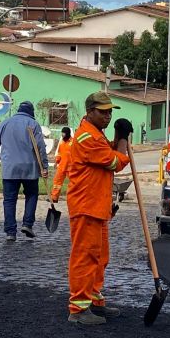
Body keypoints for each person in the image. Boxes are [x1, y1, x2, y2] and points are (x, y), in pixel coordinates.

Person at [65, 91, 130, 325]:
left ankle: (94, 301)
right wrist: (122, 140)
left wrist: (117, 139)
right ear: (90, 111)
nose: (108, 116)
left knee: (100, 257)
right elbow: (115, 161)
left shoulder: (96, 134)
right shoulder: (87, 138)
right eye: (103, 112)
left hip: (97, 205)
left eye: (110, 111)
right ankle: (78, 309)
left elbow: (108, 153)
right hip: (86, 205)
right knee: (85, 257)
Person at [0, 101, 49, 242]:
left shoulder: (6, 122)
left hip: (10, 168)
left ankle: (10, 232)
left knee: (9, 200)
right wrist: (44, 167)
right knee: (32, 195)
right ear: (31, 112)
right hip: (30, 168)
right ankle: (27, 224)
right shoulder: (33, 124)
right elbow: (41, 148)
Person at [49, 126, 74, 204]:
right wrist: (56, 162)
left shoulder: (73, 142)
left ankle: (73, 198)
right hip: (62, 166)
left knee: (73, 183)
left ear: (68, 133)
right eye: (62, 133)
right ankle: (54, 198)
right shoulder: (62, 142)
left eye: (64, 133)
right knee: (57, 182)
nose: (62, 134)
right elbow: (59, 153)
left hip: (71, 167)